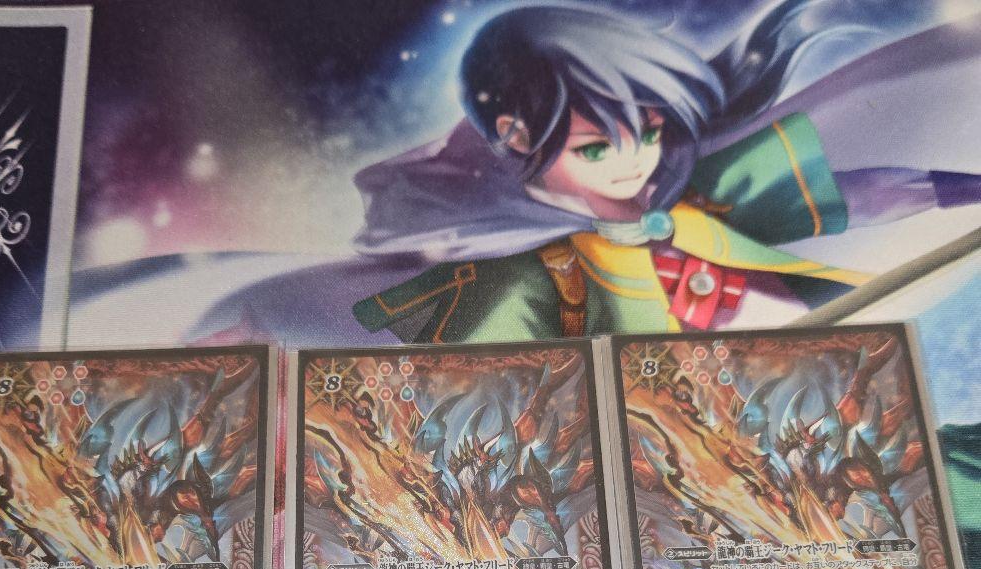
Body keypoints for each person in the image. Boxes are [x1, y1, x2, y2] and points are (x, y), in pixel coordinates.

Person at [351, 2, 981, 343]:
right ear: (517, 136)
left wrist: (964, 190)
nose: (637, 162)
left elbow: (857, 194)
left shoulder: (693, 196)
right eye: (597, 148)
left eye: (649, 134)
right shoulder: (514, 265)